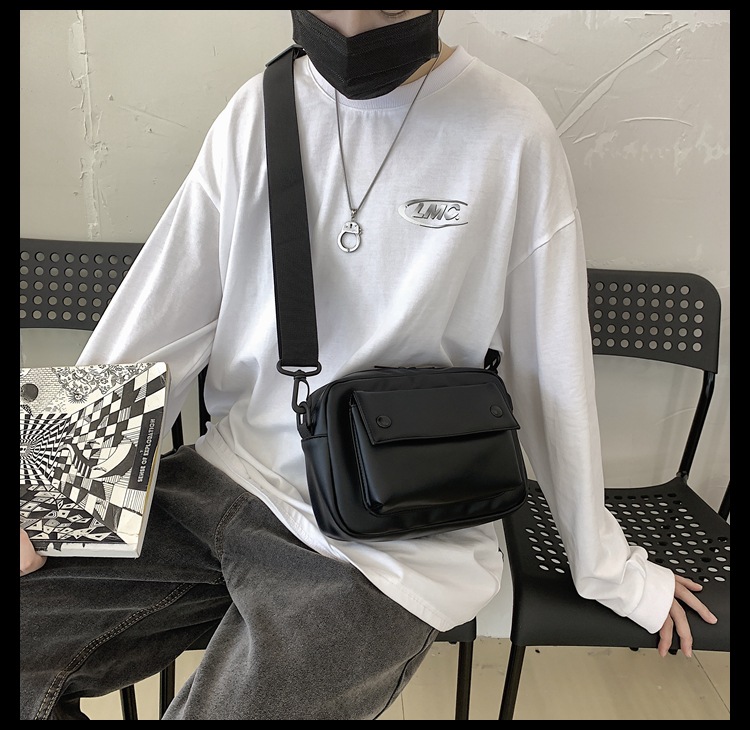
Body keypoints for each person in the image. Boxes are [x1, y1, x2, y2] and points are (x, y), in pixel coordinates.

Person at [20, 10, 718, 720]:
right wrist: (42, 497)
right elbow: (159, 318)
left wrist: (609, 571)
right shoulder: (259, 111)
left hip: (391, 538)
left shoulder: (508, 131)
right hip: (230, 476)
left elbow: (552, 368)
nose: (351, 28)